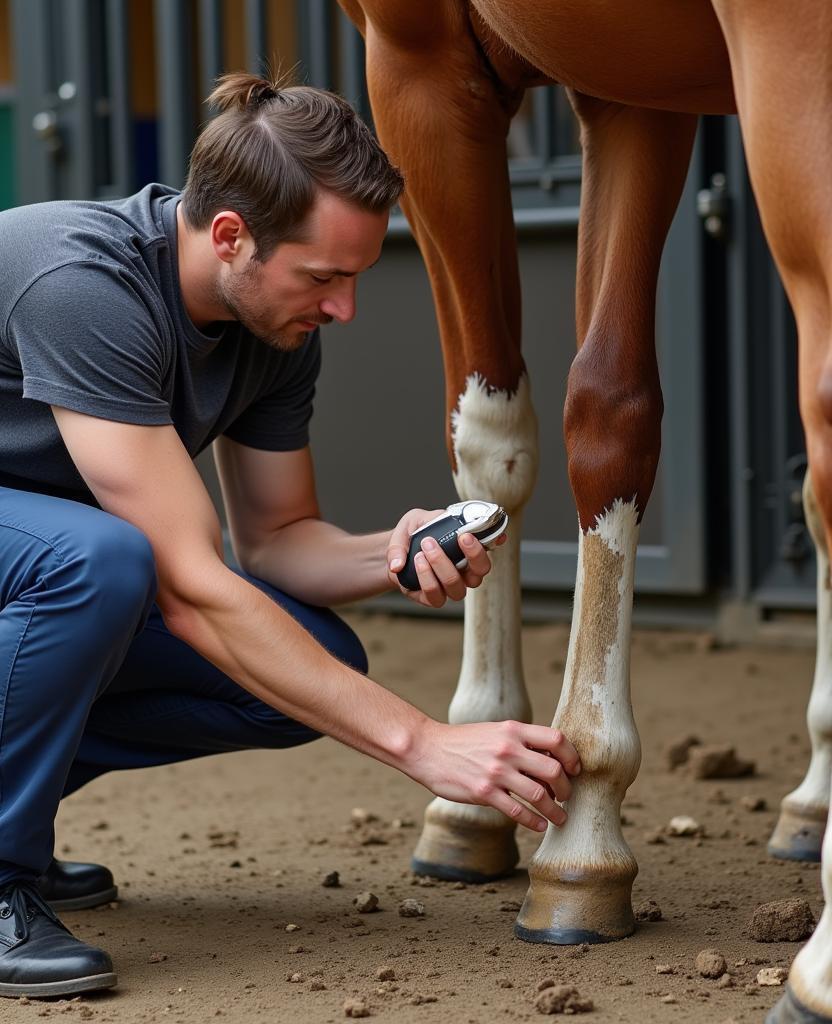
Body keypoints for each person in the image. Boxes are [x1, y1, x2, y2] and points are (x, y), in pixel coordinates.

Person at [0, 72, 580, 998]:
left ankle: (10, 821)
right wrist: (424, 744)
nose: (344, 308)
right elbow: (189, 587)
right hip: (48, 556)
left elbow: (274, 544)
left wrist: (394, 549)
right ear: (230, 235)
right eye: (325, 277)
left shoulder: (269, 327)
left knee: (307, 660)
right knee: (104, 562)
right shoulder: (84, 282)